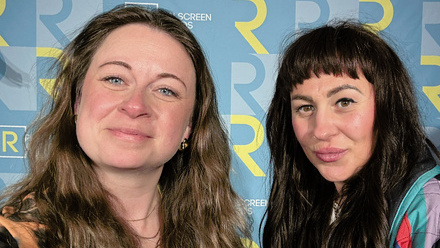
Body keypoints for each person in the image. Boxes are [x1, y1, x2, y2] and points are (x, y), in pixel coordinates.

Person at [0, 5, 251, 248]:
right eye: (115, 79)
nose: (135, 105)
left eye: (166, 90)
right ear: (77, 101)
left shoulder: (217, 239)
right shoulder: (13, 236)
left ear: (189, 126)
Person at [262, 21, 440, 247]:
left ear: (388, 107)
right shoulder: (305, 204)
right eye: (305, 107)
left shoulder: (429, 210)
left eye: (344, 102)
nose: (321, 130)